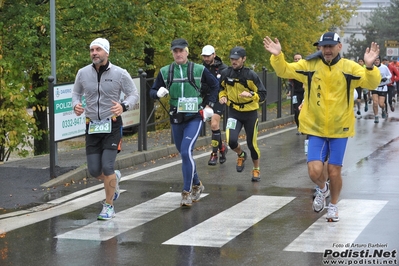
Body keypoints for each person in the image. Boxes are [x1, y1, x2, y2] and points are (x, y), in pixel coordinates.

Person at [263, 32, 381, 222]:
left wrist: (369, 66)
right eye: (323, 46)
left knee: (334, 171)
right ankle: (323, 189)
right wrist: (278, 56)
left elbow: (371, 82)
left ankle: (333, 205)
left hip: (339, 128)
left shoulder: (349, 68)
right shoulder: (309, 66)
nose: (326, 50)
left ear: (339, 47)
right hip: (315, 128)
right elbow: (284, 70)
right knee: (314, 171)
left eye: (330, 46)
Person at [72, 38, 139, 220]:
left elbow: (134, 94)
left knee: (107, 166)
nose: (94, 53)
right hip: (92, 125)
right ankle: (114, 180)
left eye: (98, 49)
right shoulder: (83, 73)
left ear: (106, 53)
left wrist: (123, 106)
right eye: (92, 49)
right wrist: (76, 105)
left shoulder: (120, 73)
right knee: (94, 170)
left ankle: (109, 205)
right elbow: (76, 93)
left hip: (112, 124)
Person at [149, 38, 219, 207]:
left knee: (187, 151)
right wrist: (158, 93)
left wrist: (209, 104)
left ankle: (186, 192)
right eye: (175, 51)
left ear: (187, 52)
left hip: (194, 116)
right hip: (176, 117)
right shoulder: (166, 71)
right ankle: (197, 184)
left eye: (181, 51)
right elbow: (151, 91)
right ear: (172, 53)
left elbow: (215, 85)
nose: (178, 54)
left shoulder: (199, 69)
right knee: (183, 153)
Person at [219, 46, 267, 182]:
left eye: (236, 59)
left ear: (243, 59)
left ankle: (256, 169)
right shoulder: (225, 73)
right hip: (234, 112)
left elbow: (263, 94)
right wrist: (222, 96)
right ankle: (241, 154)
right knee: (231, 140)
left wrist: (251, 94)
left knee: (252, 144)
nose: (233, 61)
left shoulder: (250, 75)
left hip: (250, 113)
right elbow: (221, 88)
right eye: (232, 59)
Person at [200, 45, 229, 165]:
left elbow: (227, 85)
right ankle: (222, 147)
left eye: (208, 56)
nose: (206, 58)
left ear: (214, 55)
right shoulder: (201, 68)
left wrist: (225, 96)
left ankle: (214, 154)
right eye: (204, 56)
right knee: (213, 127)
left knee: (214, 124)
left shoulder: (223, 69)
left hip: (218, 98)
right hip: (206, 98)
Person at [371, 56, 391, 123]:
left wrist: (386, 78)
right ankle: (376, 116)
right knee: (375, 103)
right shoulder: (371, 68)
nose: (376, 61)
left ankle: (383, 110)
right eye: (375, 60)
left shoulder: (384, 67)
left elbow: (389, 75)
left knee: (381, 104)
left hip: (382, 87)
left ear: (380, 60)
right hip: (374, 87)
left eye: (377, 60)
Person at [290, 53, 304, 134]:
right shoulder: (292, 70)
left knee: (304, 111)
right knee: (296, 111)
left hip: (305, 93)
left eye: (299, 59)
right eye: (296, 59)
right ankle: (299, 127)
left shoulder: (306, 69)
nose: (297, 60)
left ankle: (306, 127)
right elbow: (290, 81)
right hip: (296, 93)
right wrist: (289, 90)